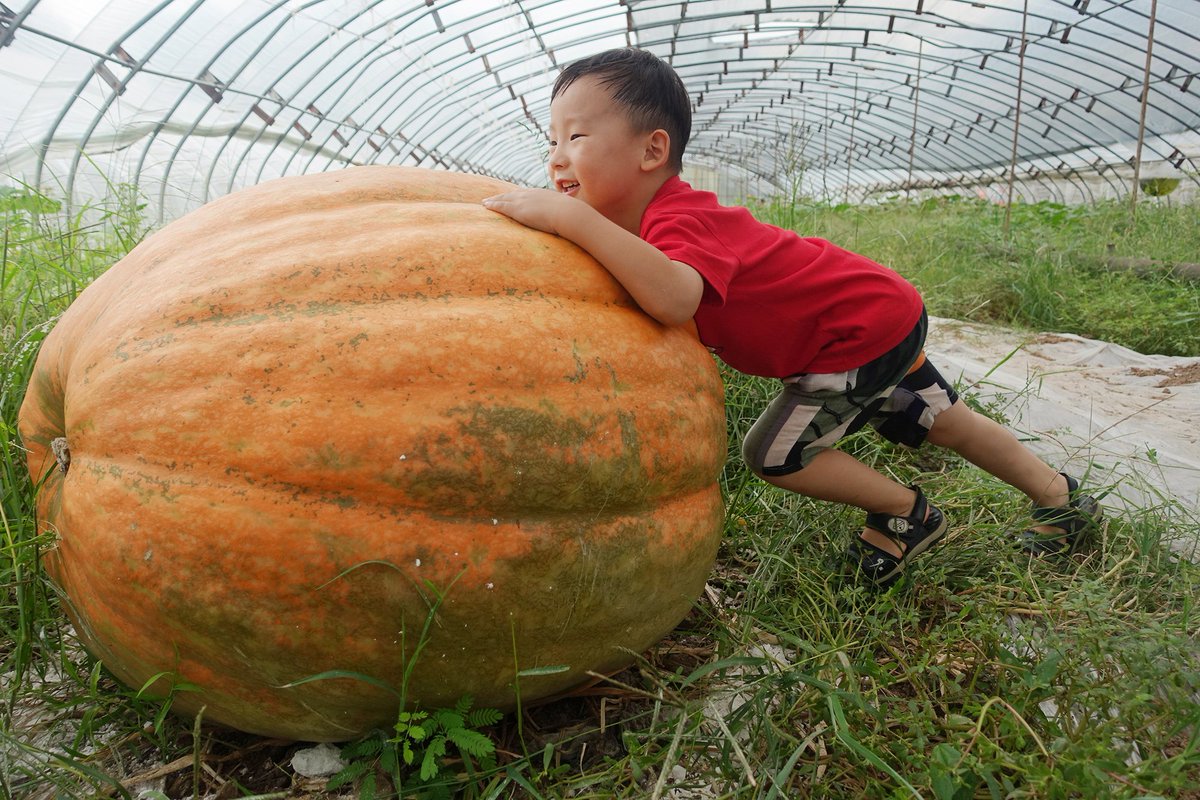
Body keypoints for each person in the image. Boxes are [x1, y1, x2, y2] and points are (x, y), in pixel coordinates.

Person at [481, 47, 1100, 588]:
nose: (557, 157)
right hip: (877, 314)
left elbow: (674, 299)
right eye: (552, 140)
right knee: (946, 422)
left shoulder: (676, 218)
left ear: (652, 149)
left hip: (850, 340)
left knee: (775, 456)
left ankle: (908, 513)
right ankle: (1059, 496)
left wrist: (570, 218)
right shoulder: (646, 226)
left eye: (576, 137)